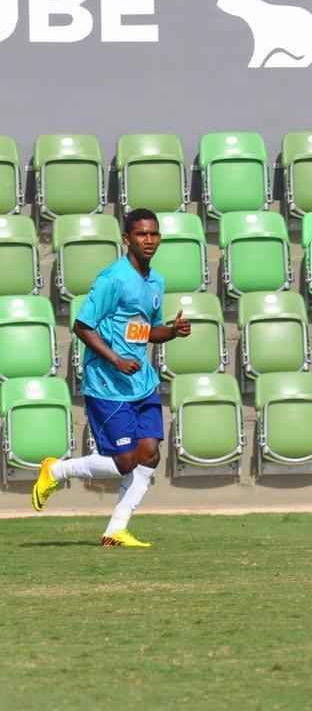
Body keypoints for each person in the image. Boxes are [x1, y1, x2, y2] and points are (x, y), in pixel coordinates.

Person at [31, 208, 191, 546]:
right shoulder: (113, 279)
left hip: (142, 383)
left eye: (154, 234)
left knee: (150, 454)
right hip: (108, 385)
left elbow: (147, 330)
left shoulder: (156, 281)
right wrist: (116, 360)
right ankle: (57, 471)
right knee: (124, 462)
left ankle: (116, 528)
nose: (149, 240)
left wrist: (173, 331)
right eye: (142, 234)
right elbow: (82, 326)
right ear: (127, 239)